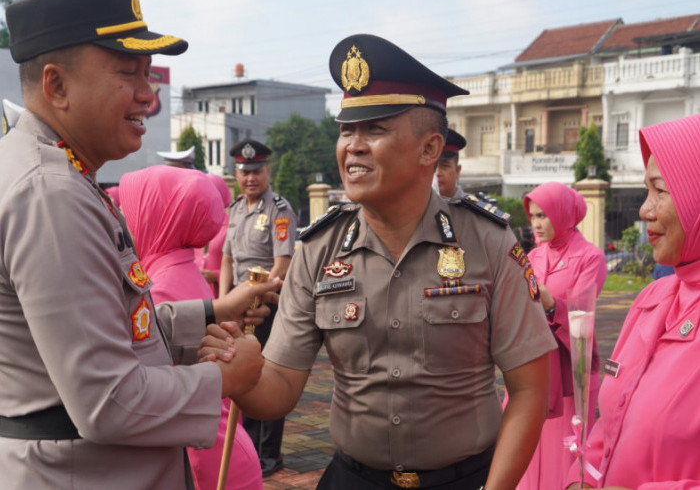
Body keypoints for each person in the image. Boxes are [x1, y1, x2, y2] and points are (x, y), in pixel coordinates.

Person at [204, 33, 557, 490]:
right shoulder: (319, 249)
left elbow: (530, 388)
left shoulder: (487, 241)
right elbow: (281, 388)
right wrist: (240, 375)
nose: (353, 145)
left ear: (430, 149)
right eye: (347, 129)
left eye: (375, 129)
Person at [0, 0, 281, 488]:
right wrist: (225, 379)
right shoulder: (51, 193)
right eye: (128, 73)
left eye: (148, 74)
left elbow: (115, 326)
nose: (148, 96)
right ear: (57, 85)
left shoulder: (61, 175)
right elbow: (108, 400)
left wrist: (216, 311)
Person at [564, 113, 700, 489]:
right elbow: (610, 422)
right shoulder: (652, 299)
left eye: (660, 190)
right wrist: (584, 481)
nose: (644, 210)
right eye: (646, 191)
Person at [119, 165, 262, 490]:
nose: (123, 222)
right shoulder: (178, 268)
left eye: (131, 209)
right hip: (216, 446)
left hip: (203, 461)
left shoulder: (160, 286)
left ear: (157, 216)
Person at [514, 182, 607, 490]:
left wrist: (551, 302)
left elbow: (583, 315)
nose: (535, 224)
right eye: (532, 216)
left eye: (543, 215)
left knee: (562, 458)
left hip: (570, 371)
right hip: (533, 368)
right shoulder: (533, 257)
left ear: (563, 214)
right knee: (526, 451)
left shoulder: (589, 258)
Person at [219, 138, 297, 477]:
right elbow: (226, 259)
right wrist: (223, 303)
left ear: (267, 172)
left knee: (267, 375)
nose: (251, 177)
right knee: (243, 376)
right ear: (236, 172)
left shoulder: (279, 209)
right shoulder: (236, 209)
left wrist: (255, 298)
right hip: (238, 305)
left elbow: (282, 263)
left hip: (266, 306)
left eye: (257, 171)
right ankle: (249, 448)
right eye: (244, 171)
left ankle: (270, 454)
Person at [199, 173, 233, 297]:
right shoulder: (195, 226)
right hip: (196, 296)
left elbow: (241, 265)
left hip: (222, 297)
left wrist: (215, 276)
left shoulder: (231, 227)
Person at [434, 128, 467, 199]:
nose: (437, 173)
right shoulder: (415, 207)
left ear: (457, 171)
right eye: (433, 166)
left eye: (445, 166)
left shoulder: (471, 209)